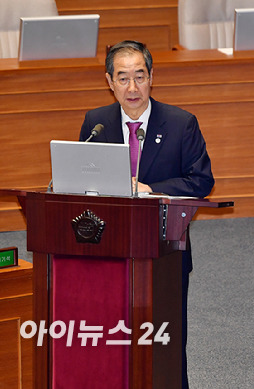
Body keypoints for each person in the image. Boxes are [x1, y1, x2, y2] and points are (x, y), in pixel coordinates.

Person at [79, 40, 214, 388]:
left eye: (139, 76)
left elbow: (201, 180)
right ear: (109, 82)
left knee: (165, 339)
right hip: (108, 248)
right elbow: (83, 180)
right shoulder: (97, 124)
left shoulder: (182, 123)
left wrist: (151, 190)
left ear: (152, 77)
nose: (132, 87)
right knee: (112, 336)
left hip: (164, 248)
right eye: (122, 78)